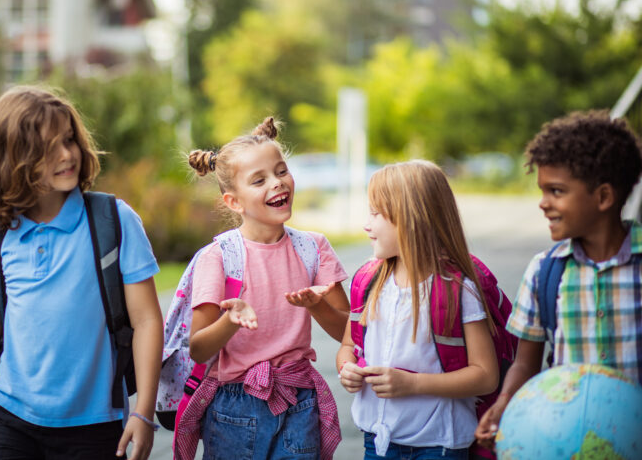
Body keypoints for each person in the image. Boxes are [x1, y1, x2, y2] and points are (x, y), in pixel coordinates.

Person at [0, 86, 163, 460]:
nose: (67, 154)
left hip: (94, 425)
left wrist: (143, 411)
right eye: (49, 148)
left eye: (69, 140)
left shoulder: (113, 221)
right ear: (13, 159)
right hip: (9, 416)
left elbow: (146, 321)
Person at [174, 117, 350, 460]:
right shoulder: (219, 257)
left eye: (281, 171)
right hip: (234, 407)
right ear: (234, 202)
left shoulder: (314, 248)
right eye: (259, 180)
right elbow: (198, 349)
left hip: (299, 398)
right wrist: (231, 320)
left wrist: (318, 307)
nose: (277, 183)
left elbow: (349, 331)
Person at [475, 110, 642, 449]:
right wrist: (506, 401)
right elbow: (525, 362)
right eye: (542, 190)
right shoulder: (545, 272)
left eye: (556, 191)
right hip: (569, 441)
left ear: (604, 197)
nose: (542, 203)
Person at [337, 160, 500, 460]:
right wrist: (346, 369)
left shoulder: (458, 290)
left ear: (410, 219)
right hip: (378, 441)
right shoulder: (368, 281)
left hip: (439, 444)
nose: (366, 224)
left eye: (375, 213)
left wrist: (413, 383)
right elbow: (348, 346)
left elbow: (486, 375)